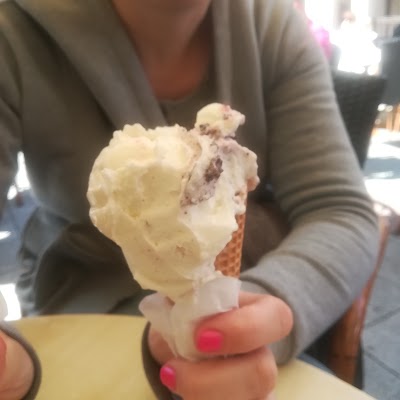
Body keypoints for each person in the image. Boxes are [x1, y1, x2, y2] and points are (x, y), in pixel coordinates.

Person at [0, 0, 379, 399]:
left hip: (255, 326)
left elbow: (341, 211)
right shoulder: (13, 30)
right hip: (77, 318)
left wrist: (248, 316)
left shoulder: (272, 25)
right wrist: (14, 362)